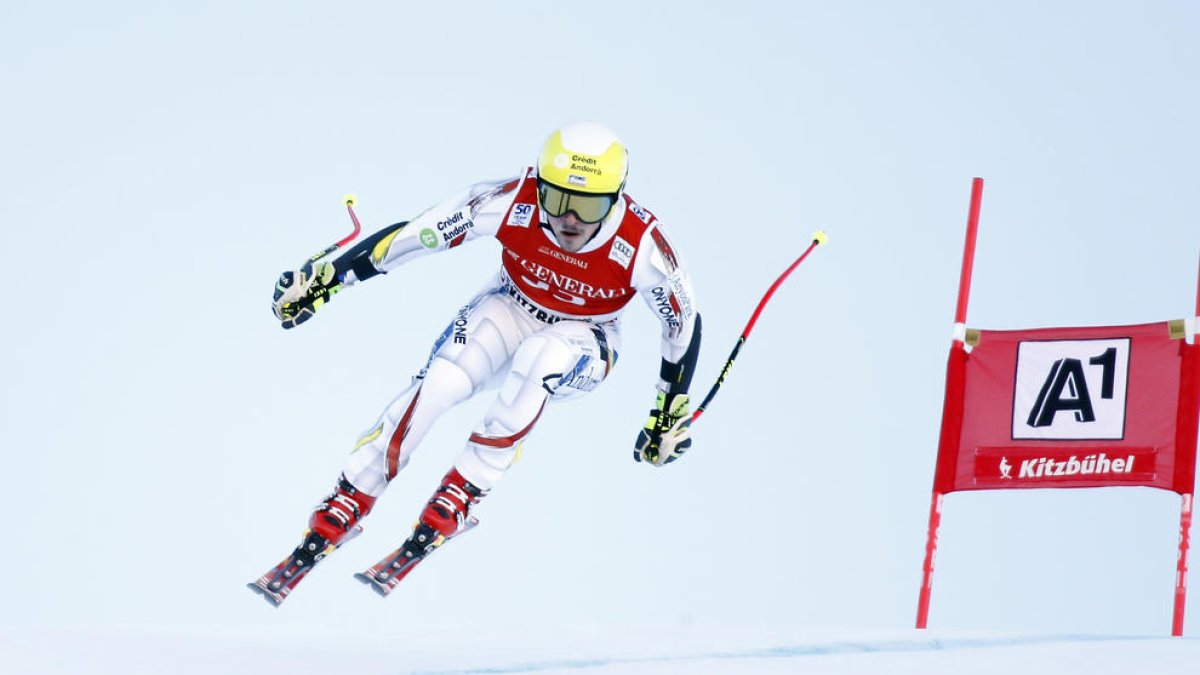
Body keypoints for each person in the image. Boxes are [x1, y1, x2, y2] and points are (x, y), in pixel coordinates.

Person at [249, 121, 702, 604]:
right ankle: (350, 496)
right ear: (540, 186)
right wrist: (327, 280)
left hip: (588, 337)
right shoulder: (514, 201)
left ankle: (462, 493)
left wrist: (667, 411)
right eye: (556, 200)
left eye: (588, 206)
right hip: (509, 304)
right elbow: (414, 237)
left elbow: (682, 322)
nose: (569, 219)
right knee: (441, 382)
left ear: (616, 199)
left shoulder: (643, 245)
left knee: (540, 357)